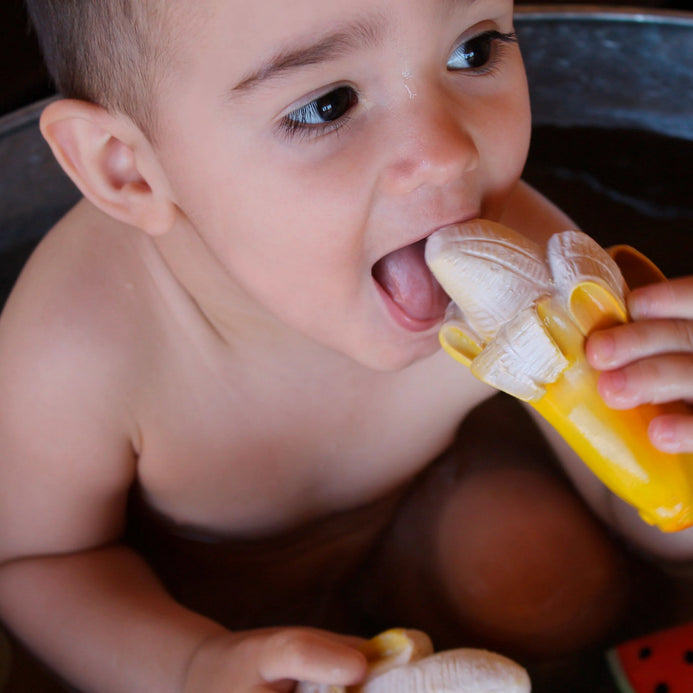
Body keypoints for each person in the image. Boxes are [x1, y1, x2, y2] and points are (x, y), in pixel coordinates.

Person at [0, 0, 692, 691]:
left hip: (436, 502)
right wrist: (190, 667)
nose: (448, 153)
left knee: (555, 586)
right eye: (326, 106)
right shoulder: (80, 346)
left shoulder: (534, 264)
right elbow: (34, 564)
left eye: (473, 51)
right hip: (189, 588)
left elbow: (645, 512)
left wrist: (674, 439)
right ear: (128, 167)